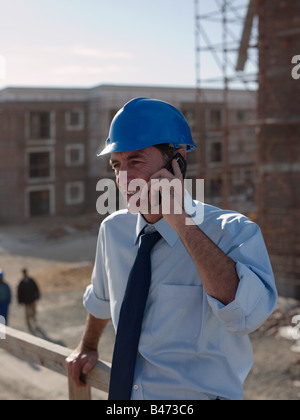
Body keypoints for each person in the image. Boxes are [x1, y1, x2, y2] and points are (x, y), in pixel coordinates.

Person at [66, 98, 278, 400]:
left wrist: (182, 222)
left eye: (136, 161)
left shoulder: (232, 231)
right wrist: (87, 346)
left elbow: (246, 316)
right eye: (116, 164)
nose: (123, 177)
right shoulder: (113, 230)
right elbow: (101, 299)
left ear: (177, 160)